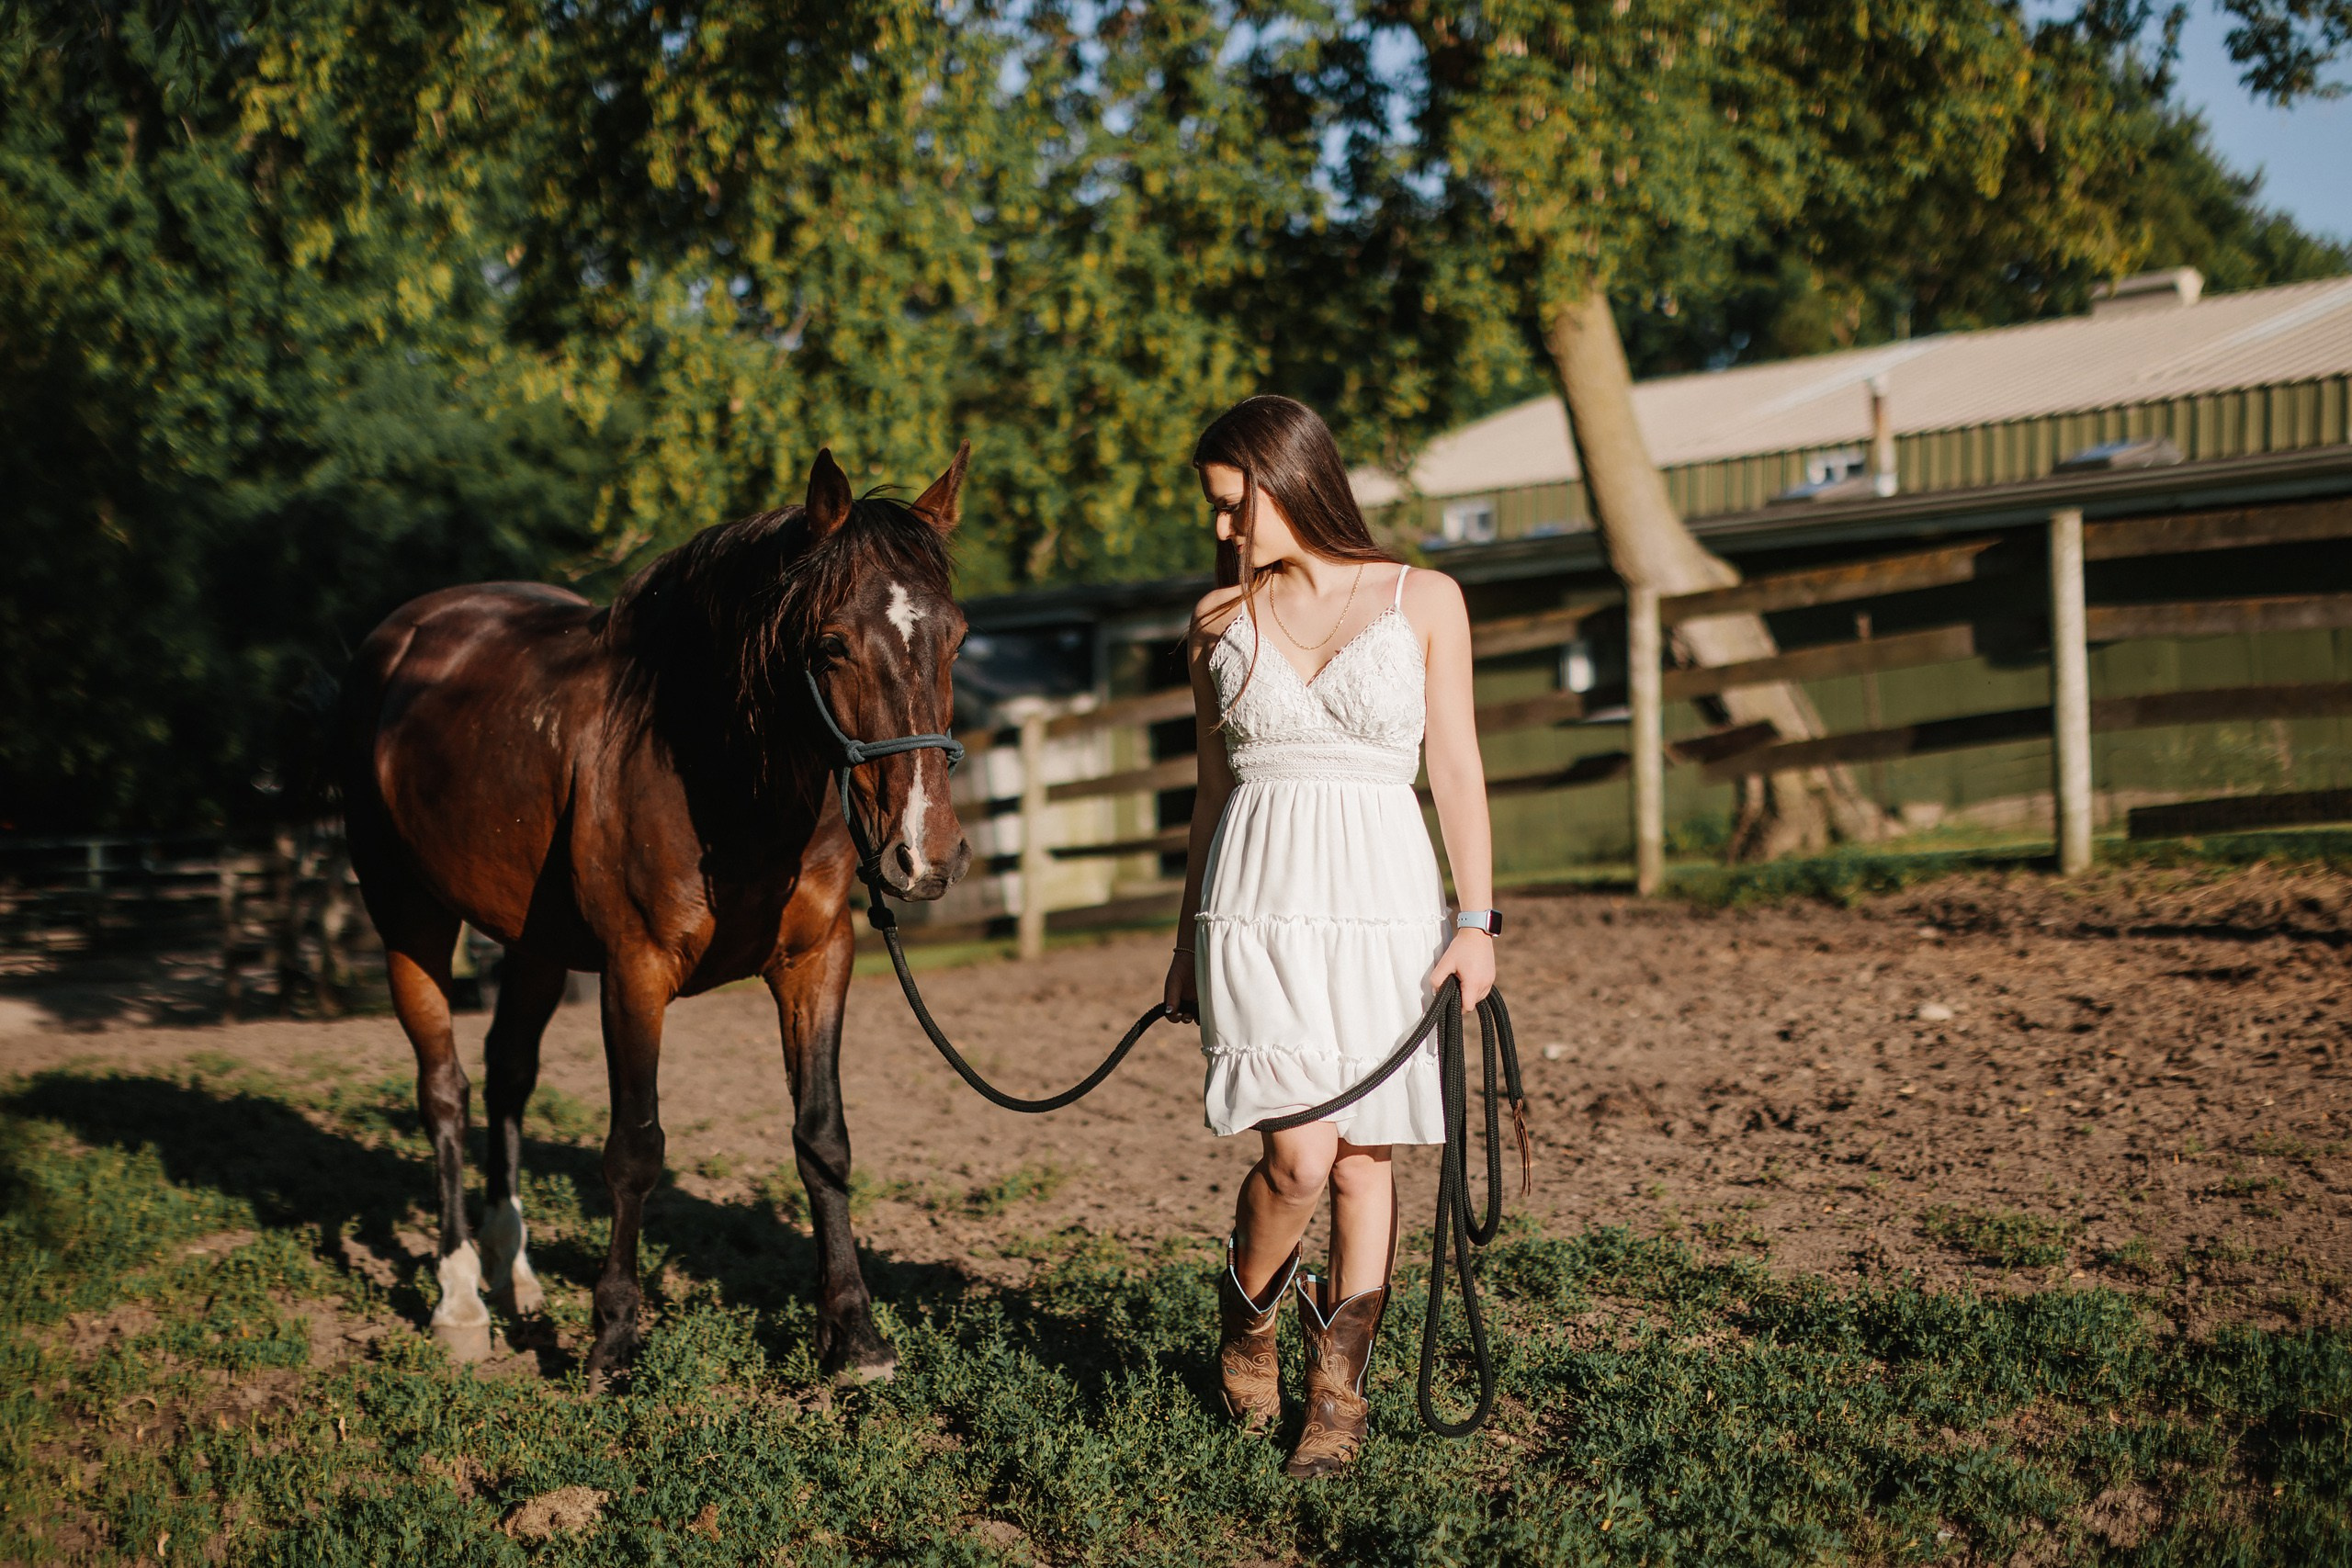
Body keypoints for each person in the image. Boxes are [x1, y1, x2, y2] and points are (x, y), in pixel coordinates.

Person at [1162, 394, 1498, 1478]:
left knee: (1365, 1160)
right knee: (1298, 1154)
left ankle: (1336, 1400)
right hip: (1254, 904)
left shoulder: (1423, 598)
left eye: (1231, 504)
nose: (1223, 529)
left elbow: (1454, 768)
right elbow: (1210, 798)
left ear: (1287, 479)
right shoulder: (1217, 624)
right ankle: (1248, 1317)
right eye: (1215, 510)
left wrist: (1476, 922)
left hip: (1386, 902)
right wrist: (1181, 946)